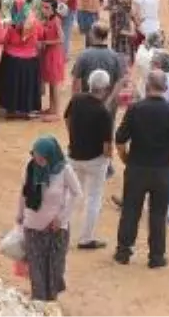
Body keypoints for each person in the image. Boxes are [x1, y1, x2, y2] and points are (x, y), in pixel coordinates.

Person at [113, 69, 169, 268]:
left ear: (147, 86)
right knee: (158, 214)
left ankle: (123, 252)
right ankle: (156, 256)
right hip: (161, 170)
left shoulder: (135, 109)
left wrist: (125, 158)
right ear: (165, 88)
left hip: (137, 167)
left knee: (131, 211)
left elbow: (120, 139)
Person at [16, 135, 82, 302]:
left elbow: (77, 193)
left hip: (56, 230)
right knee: (37, 275)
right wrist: (20, 214)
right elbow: (24, 192)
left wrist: (61, 219)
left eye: (41, 157)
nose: (37, 160)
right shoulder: (30, 167)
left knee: (54, 272)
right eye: (35, 156)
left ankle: (50, 305)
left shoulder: (64, 170)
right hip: (33, 228)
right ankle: (40, 306)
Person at [65, 69, 115, 250]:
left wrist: (73, 137)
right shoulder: (104, 112)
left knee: (71, 194)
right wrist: (108, 161)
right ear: (106, 89)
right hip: (95, 160)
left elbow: (67, 119)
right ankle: (86, 237)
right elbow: (107, 146)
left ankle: (61, 230)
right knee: (93, 198)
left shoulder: (77, 100)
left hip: (74, 155)